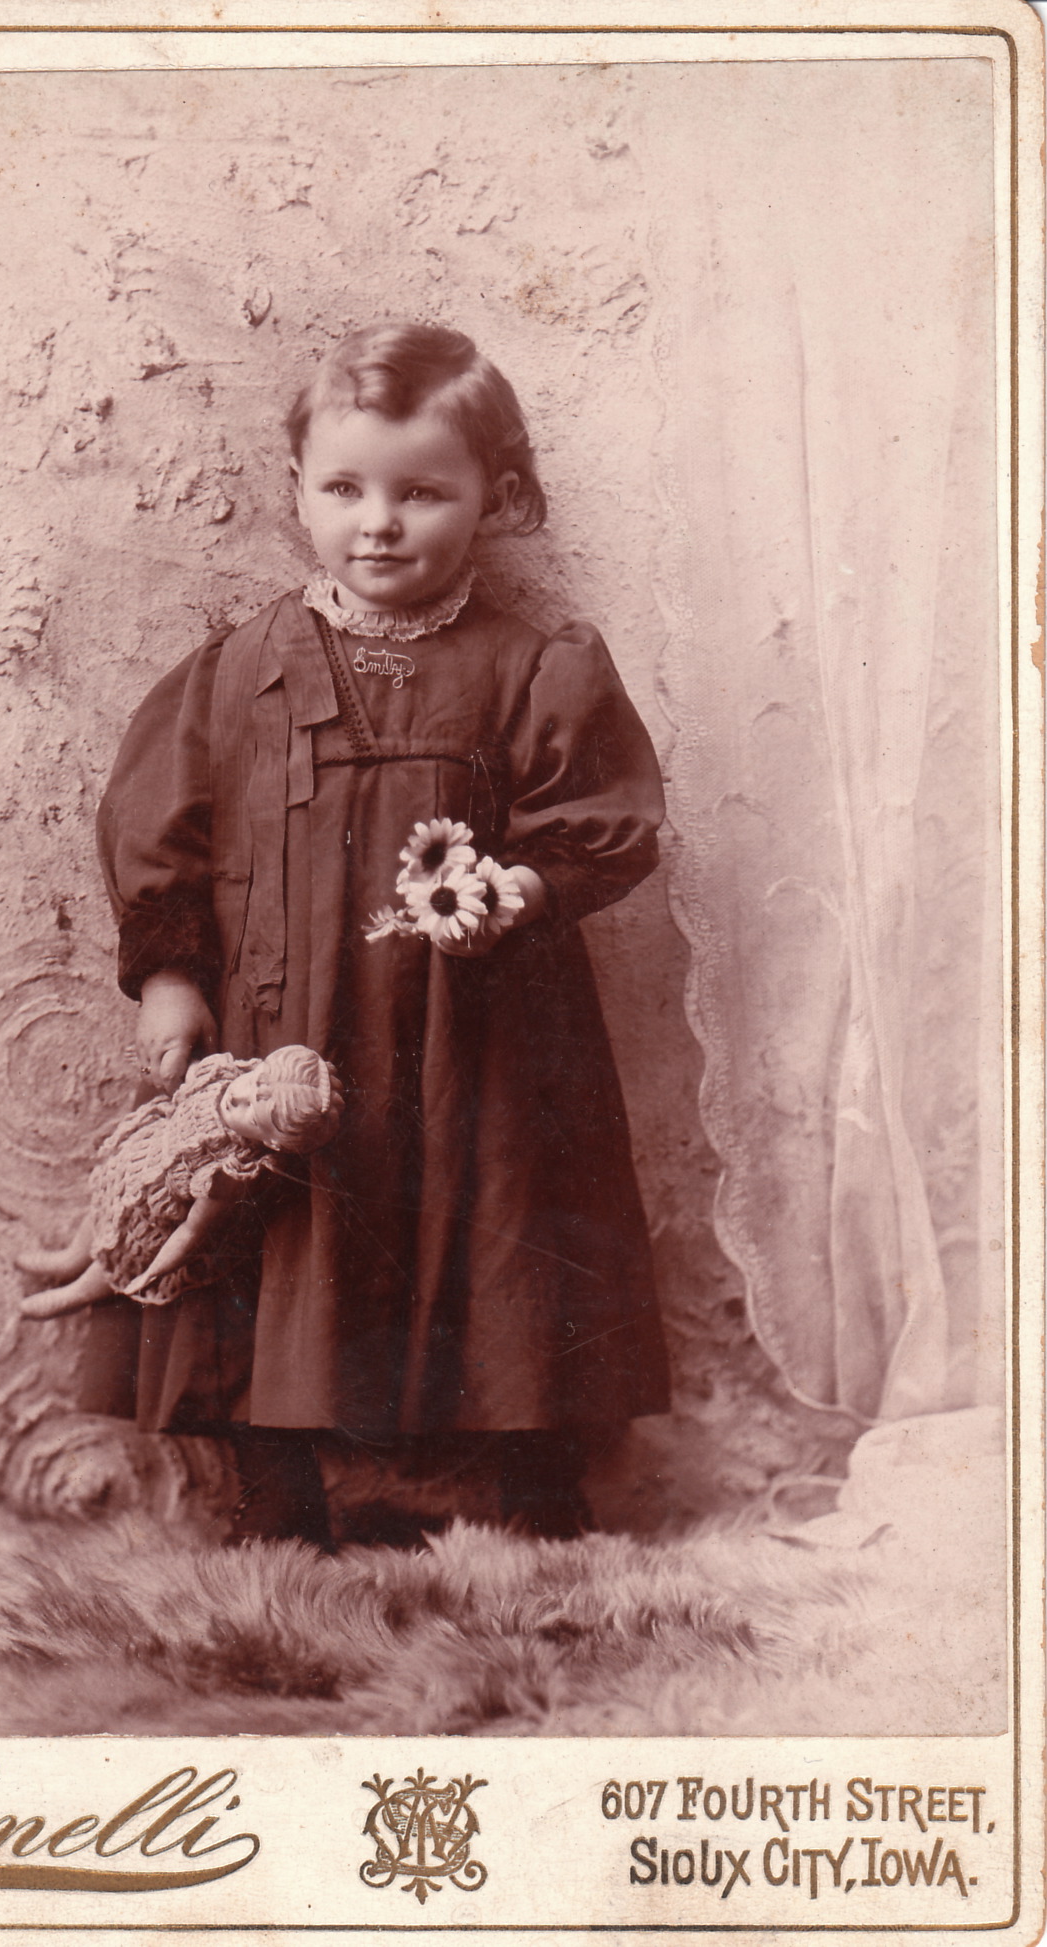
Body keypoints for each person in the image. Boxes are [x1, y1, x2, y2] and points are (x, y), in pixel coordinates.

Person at [97, 320, 670, 1548]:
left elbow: (597, 820)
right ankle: (274, 1485)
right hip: (287, 1018)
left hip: (484, 1034)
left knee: (511, 1224)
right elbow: (162, 835)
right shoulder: (236, 672)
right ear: (296, 489)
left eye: (422, 493)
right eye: (345, 489)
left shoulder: (532, 667)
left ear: (497, 499)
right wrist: (170, 979)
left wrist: (523, 888)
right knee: (273, 1212)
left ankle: (533, 1478)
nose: (379, 525)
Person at [16, 1045, 342, 1318]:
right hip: (135, 1164)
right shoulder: (220, 1078)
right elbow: (183, 1074)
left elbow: (192, 1231)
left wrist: (154, 1270)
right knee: (99, 1213)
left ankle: (76, 1293)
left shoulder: (232, 1169)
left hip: (152, 1217)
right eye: (254, 1082)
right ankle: (70, 1259)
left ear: (270, 1142)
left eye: (253, 1116)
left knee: (117, 1255)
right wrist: (154, 1065)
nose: (239, 1097)